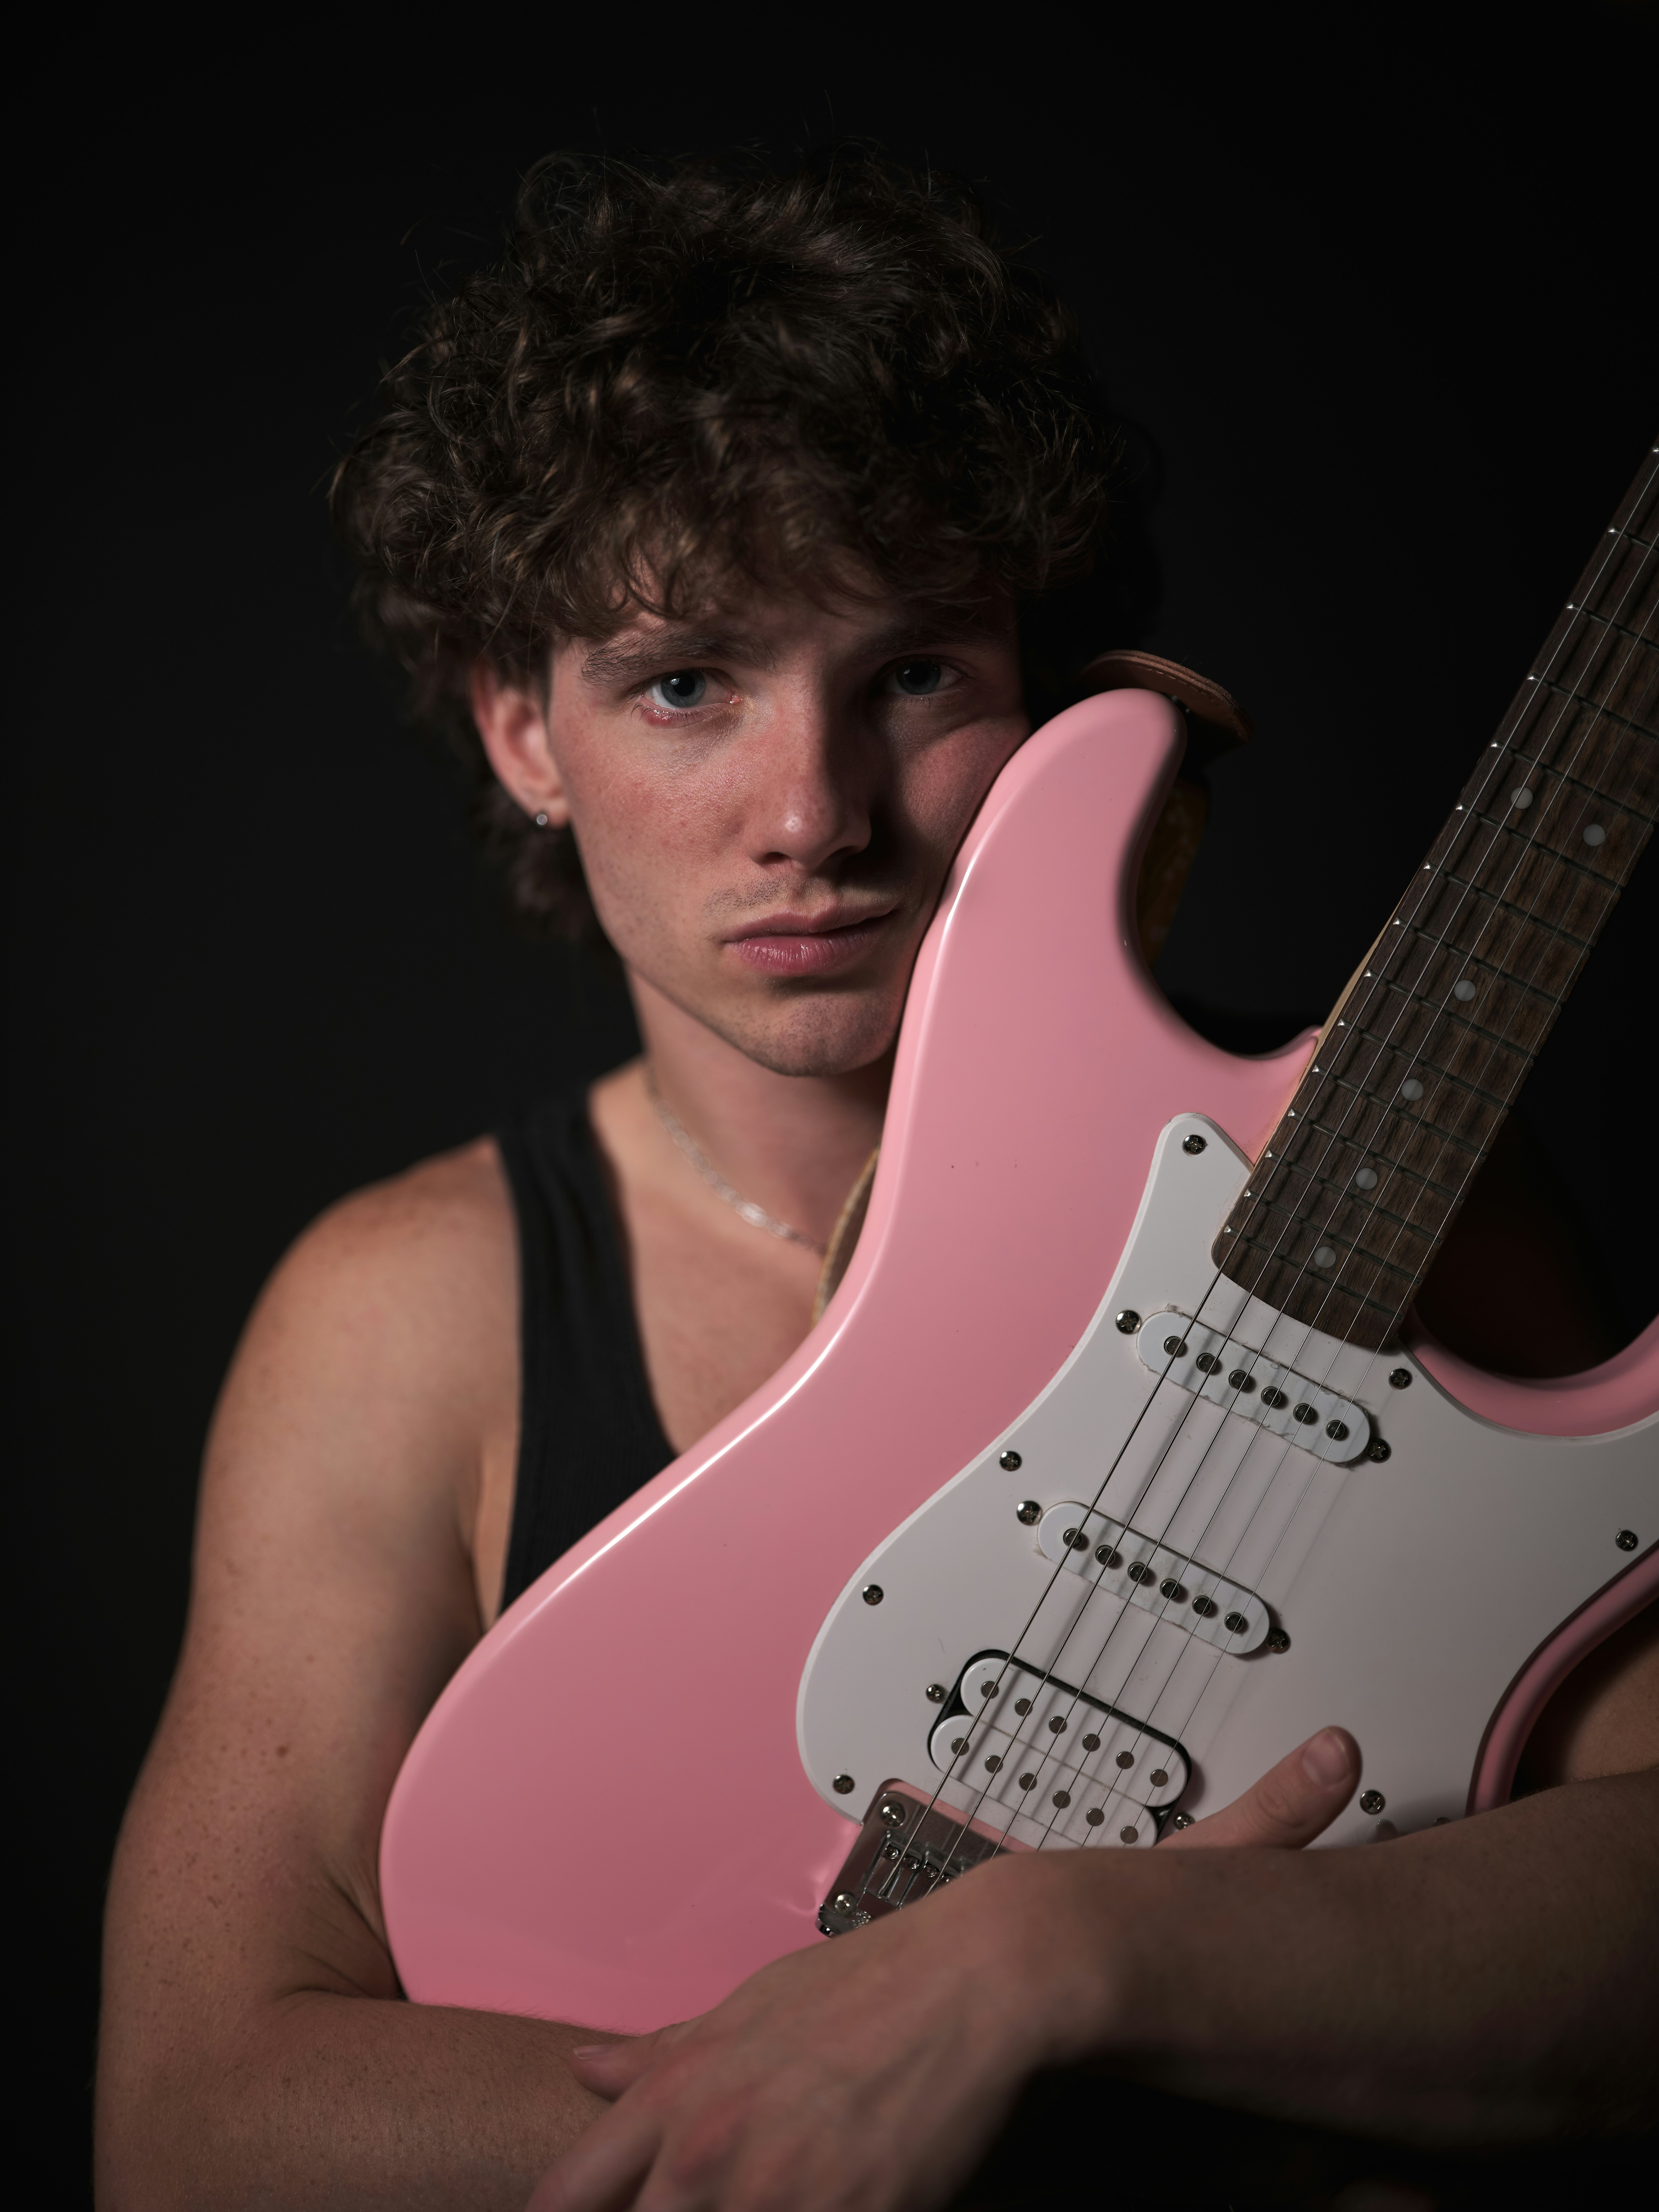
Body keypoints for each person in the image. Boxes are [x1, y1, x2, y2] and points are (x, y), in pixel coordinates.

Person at [96, 151, 1657, 2212]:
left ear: (1044, 701)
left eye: (913, 672)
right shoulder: (406, 1312)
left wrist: (1058, 1961)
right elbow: (194, 2124)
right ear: (524, 733)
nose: (813, 815)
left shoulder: (1383, 1180)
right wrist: (879, 2081)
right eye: (684, 682)